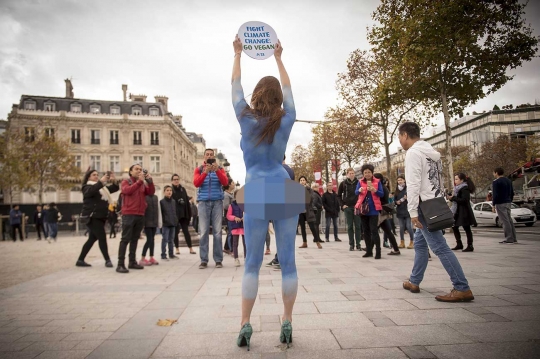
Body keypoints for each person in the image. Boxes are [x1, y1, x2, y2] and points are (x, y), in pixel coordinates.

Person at [232, 36, 299, 349]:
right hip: (285, 187)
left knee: (252, 264)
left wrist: (237, 55)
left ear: (257, 94)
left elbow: (234, 86)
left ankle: (245, 324)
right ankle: (286, 320)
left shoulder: (245, 118)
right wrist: (279, 59)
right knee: (288, 262)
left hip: (256, 189)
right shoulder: (286, 118)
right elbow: (289, 92)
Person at [398, 121, 474, 302]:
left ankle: (461, 287)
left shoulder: (413, 153)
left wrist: (413, 211)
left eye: (399, 137)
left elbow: (414, 184)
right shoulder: (431, 154)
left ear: (405, 135)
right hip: (435, 203)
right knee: (420, 244)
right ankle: (414, 281)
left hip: (424, 206)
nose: (400, 141)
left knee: (440, 247)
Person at [193, 149, 229, 269]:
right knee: (203, 232)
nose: (209, 156)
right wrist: (205, 172)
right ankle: (204, 260)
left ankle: (218, 260)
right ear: (204, 157)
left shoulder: (219, 169)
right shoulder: (199, 169)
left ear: (214, 157)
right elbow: (196, 183)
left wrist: (217, 170)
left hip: (217, 202)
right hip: (203, 203)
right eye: (207, 154)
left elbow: (225, 182)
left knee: (217, 232)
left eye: (211, 155)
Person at [116, 163, 155, 273]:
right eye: (136, 169)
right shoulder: (126, 182)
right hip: (129, 214)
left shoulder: (142, 184)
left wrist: (150, 181)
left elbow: (151, 192)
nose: (139, 171)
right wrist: (139, 182)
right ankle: (120, 264)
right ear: (131, 172)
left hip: (140, 214)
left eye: (140, 169)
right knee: (125, 239)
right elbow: (127, 191)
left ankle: (132, 261)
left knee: (134, 239)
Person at [76, 170, 120, 267]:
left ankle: (80, 260)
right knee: (102, 238)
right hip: (92, 216)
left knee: (92, 239)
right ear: (88, 177)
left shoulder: (102, 189)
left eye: (97, 175)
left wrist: (114, 180)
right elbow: (90, 192)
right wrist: (101, 182)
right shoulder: (86, 187)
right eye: (94, 175)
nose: (96, 176)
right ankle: (107, 260)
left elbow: (115, 188)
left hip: (101, 216)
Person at [355, 164, 384, 259]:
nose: (367, 174)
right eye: (365, 172)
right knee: (366, 231)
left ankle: (378, 251)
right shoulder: (360, 182)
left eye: (369, 172)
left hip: (374, 209)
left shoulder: (377, 181)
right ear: (363, 173)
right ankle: (368, 251)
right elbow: (356, 192)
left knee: (374, 230)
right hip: (363, 209)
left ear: (372, 173)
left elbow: (381, 194)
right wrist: (360, 190)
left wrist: (374, 190)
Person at [447, 173, 477, 252]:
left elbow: (464, 200)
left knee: (466, 228)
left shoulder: (464, 188)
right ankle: (459, 244)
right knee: (454, 226)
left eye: (456, 179)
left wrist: (453, 198)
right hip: (456, 210)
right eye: (455, 179)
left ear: (462, 180)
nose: (455, 181)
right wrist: (451, 198)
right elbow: (456, 200)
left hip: (464, 211)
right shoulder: (456, 188)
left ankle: (470, 245)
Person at [374, 173, 401, 256]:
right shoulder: (384, 187)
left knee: (374, 230)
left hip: (381, 211)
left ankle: (369, 248)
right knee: (388, 231)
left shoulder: (381, 188)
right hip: (383, 211)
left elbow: (382, 200)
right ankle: (396, 249)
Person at [172, 174, 196, 255]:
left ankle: (190, 248)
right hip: (175, 214)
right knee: (175, 232)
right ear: (172, 181)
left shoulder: (183, 189)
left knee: (186, 231)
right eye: (174, 179)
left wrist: (189, 198)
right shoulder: (171, 189)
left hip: (183, 214)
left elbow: (185, 199)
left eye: (177, 179)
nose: (176, 180)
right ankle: (177, 248)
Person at [338, 168, 362, 251]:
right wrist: (342, 205)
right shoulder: (343, 183)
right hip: (348, 207)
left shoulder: (359, 182)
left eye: (353, 173)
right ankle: (351, 244)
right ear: (347, 174)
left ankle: (358, 243)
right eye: (350, 173)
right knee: (350, 226)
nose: (352, 174)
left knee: (358, 226)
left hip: (357, 206)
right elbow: (338, 195)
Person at [492, 167, 517, 244]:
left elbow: (495, 194)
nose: (493, 174)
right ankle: (513, 238)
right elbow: (512, 192)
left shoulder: (496, 182)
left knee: (504, 221)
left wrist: (493, 204)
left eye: (493, 172)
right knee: (509, 220)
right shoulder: (508, 181)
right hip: (508, 202)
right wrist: (510, 200)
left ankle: (509, 238)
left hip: (500, 203)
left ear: (496, 173)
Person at [298, 176, 323, 249]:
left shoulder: (309, 189)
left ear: (306, 181)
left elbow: (312, 198)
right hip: (300, 211)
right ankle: (304, 242)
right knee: (302, 228)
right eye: (301, 180)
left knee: (312, 227)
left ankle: (317, 241)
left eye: (303, 180)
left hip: (308, 211)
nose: (302, 181)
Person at [139, 194, 161, 266]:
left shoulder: (155, 197)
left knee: (152, 240)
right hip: (147, 222)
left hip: (154, 222)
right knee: (149, 240)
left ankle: (151, 257)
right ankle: (142, 258)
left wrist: (158, 221)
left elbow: (157, 210)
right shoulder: (144, 196)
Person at [394, 175, 414, 249]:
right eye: (398, 180)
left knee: (409, 226)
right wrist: (396, 202)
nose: (400, 181)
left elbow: (412, 198)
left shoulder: (407, 189)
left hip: (407, 210)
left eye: (401, 180)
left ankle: (412, 241)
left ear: (404, 180)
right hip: (400, 210)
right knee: (401, 227)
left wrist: (407, 198)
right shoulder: (397, 190)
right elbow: (394, 200)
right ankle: (402, 241)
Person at [227, 190, 246, 267]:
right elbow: (228, 215)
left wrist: (245, 217)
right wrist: (235, 218)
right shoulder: (231, 205)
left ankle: (246, 258)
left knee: (245, 243)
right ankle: (236, 258)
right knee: (235, 243)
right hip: (235, 226)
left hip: (244, 226)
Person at [160, 185, 179, 261]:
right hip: (165, 224)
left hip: (173, 223)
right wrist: (162, 222)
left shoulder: (173, 201)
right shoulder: (161, 202)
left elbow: (175, 212)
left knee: (171, 239)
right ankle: (163, 255)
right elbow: (161, 213)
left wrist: (176, 221)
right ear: (164, 192)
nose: (169, 192)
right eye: (167, 190)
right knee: (165, 239)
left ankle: (171, 254)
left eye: (170, 190)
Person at [223, 179, 235, 255]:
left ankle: (226, 247)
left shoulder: (231, 194)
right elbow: (226, 206)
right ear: (229, 185)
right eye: (233, 183)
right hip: (229, 215)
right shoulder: (226, 195)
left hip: (233, 215)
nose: (234, 184)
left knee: (231, 232)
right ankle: (230, 249)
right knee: (231, 232)